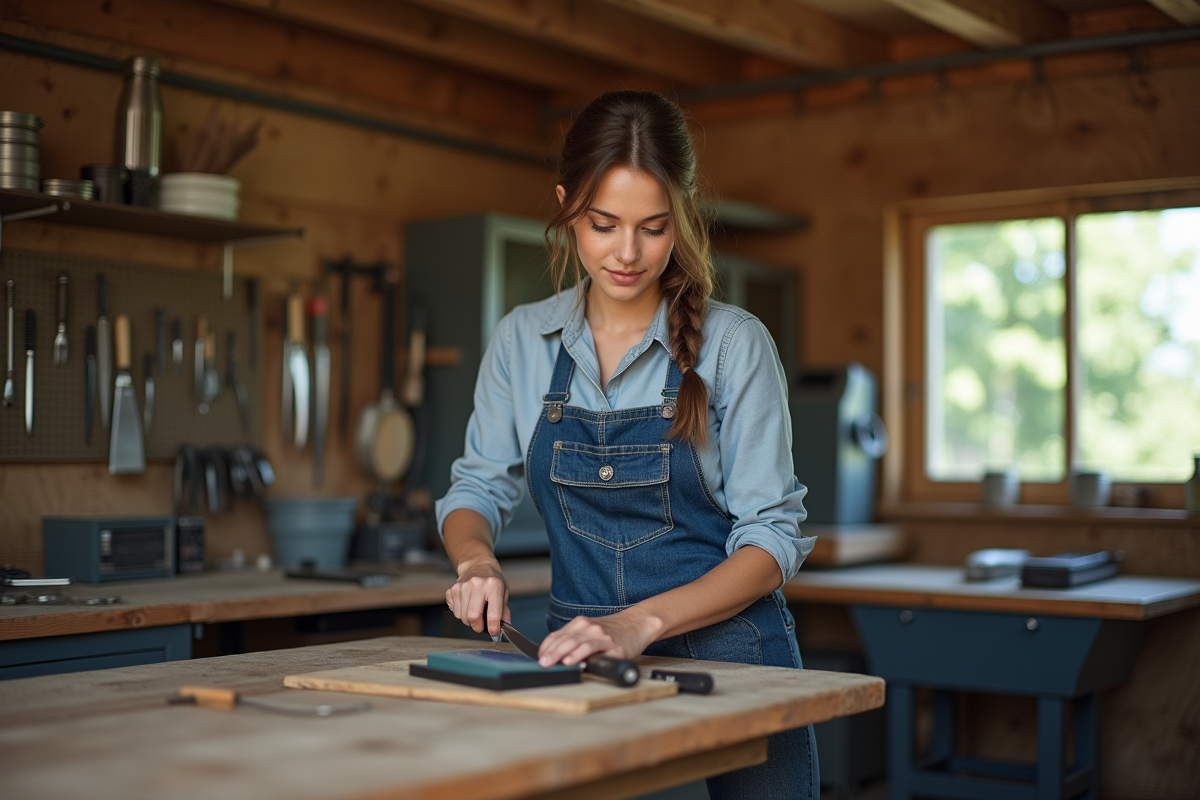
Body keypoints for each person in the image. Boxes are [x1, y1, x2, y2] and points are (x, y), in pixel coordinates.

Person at [438, 90, 818, 799]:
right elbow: (477, 488)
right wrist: (476, 560)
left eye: (653, 227)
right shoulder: (522, 340)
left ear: (683, 215)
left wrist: (636, 625)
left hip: (731, 659)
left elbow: (771, 541)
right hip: (579, 656)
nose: (627, 253)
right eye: (603, 224)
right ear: (566, 206)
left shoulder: (734, 345)